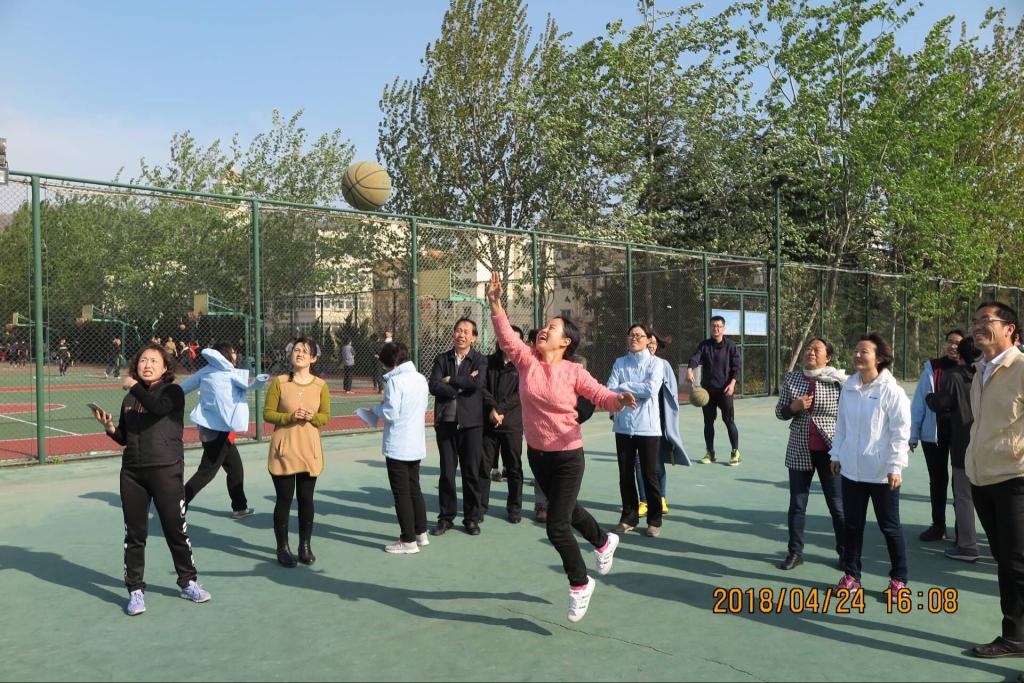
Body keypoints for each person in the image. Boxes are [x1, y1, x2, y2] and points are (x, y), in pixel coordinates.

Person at [486, 272, 636, 623]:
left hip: (568, 456)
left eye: (552, 328)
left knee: (556, 525)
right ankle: (603, 542)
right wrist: (495, 303)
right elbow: (507, 337)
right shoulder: (527, 362)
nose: (544, 330)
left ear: (565, 341)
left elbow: (600, 395)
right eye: (545, 326)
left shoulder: (574, 372)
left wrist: (619, 400)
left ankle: (580, 584)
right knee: (567, 510)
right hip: (538, 456)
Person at [91, 343, 211, 616]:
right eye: (143, 360)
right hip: (133, 473)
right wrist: (109, 427)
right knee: (134, 534)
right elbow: (124, 437)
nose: (147, 365)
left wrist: (134, 386)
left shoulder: (172, 392)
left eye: (154, 361)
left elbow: (157, 408)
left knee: (175, 529)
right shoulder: (129, 400)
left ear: (165, 367)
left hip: (166, 470)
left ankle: (188, 582)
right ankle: (135, 590)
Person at [830, 332, 911, 597]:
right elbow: (841, 425)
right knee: (852, 526)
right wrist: (836, 455)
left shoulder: (892, 391)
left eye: (864, 351)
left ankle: (899, 579)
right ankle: (852, 575)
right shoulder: (848, 388)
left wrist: (895, 466)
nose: (857, 355)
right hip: (851, 472)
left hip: (881, 474)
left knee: (890, 527)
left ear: (879, 358)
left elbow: (900, 432)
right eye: (855, 350)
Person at [965, 302, 1024, 658]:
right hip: (983, 477)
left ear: (1010, 329)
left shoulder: (1021, 368)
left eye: (987, 320)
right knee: (1006, 561)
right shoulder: (980, 370)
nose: (978, 326)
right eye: (976, 320)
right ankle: (1015, 637)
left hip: (1017, 478)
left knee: (1018, 562)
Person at [775, 338, 847, 571]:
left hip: (831, 452)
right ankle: (795, 553)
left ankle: (845, 553)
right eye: (808, 348)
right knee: (797, 504)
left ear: (828, 357)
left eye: (817, 350)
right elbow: (780, 413)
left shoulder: (838, 382)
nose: (811, 352)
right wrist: (793, 407)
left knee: (837, 505)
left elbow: (847, 416)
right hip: (799, 448)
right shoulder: (792, 378)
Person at [262, 338, 331, 568]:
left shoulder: (320, 386)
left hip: (308, 450)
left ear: (313, 358)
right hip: (284, 450)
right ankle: (282, 548)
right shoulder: (279, 383)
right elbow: (268, 414)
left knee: (306, 499)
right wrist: (289, 417)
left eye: (305, 351)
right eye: (296, 350)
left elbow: (325, 417)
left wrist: (313, 417)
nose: (299, 353)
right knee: (284, 500)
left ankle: (305, 546)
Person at [180, 342, 268, 518]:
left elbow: (183, 388)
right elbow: (181, 389)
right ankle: (178, 502)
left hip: (220, 432)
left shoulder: (216, 371)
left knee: (235, 469)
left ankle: (240, 507)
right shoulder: (217, 372)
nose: (236, 355)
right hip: (215, 432)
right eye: (233, 351)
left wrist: (257, 382)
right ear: (224, 354)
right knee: (207, 472)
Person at [367, 341, 431, 554]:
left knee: (401, 493)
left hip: (398, 445)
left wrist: (375, 409)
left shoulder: (395, 381)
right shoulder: (420, 379)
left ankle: (408, 540)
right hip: (415, 443)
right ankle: (421, 533)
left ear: (389, 362)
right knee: (414, 489)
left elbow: (391, 414)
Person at [429, 318, 488, 536]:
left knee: (471, 472)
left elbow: (478, 384)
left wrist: (450, 380)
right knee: (447, 473)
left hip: (471, 425)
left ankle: (471, 518)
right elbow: (433, 385)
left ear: (473, 337)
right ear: (453, 333)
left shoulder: (480, 360)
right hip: (446, 423)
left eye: (466, 332)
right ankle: (446, 518)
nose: (461, 335)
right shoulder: (441, 358)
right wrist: (461, 384)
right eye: (458, 330)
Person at [925, 336, 980, 563]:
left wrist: (930, 397)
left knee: (964, 496)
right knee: (1000, 499)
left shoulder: (955, 376)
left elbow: (940, 403)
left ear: (962, 354)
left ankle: (967, 546)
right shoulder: (990, 374)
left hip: (964, 444)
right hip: (993, 445)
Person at [608, 323, 666, 537]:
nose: (634, 338)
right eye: (631, 335)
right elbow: (610, 389)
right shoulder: (619, 362)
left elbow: (650, 390)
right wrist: (623, 390)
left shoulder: (657, 363)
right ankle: (628, 518)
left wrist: (624, 387)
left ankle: (654, 520)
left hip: (648, 428)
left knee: (650, 475)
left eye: (639, 335)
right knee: (625, 475)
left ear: (648, 340)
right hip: (623, 427)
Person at [909, 328, 965, 542]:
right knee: (937, 481)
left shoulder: (972, 368)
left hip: (962, 435)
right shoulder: (932, 368)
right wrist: (913, 434)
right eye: (950, 341)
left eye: (958, 343)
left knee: (961, 484)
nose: (953, 346)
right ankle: (938, 526)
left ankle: (963, 530)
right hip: (933, 436)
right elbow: (919, 403)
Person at [635, 332, 691, 515]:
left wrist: (671, 422)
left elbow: (672, 394)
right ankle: (643, 501)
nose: (651, 345)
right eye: (649, 342)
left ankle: (661, 498)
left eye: (654, 343)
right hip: (638, 422)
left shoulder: (663, 365)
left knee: (657, 463)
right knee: (639, 463)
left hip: (658, 423)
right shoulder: (634, 364)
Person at [480, 325, 525, 524]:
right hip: (488, 422)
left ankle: (514, 509)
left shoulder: (523, 365)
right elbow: (481, 387)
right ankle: (480, 507)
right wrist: (492, 408)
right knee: (483, 467)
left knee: (513, 467)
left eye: (514, 339)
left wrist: (500, 409)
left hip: (512, 424)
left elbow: (520, 393)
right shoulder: (487, 362)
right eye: (505, 337)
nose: (508, 342)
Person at [686, 315, 742, 465]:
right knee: (708, 422)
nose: (716, 328)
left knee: (729, 421)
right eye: (713, 326)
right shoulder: (704, 345)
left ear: (723, 328)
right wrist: (690, 369)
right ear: (710, 328)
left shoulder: (731, 346)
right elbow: (695, 358)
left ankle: (735, 452)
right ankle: (710, 452)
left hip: (725, 391)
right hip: (708, 392)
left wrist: (732, 384)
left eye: (718, 326)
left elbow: (737, 367)